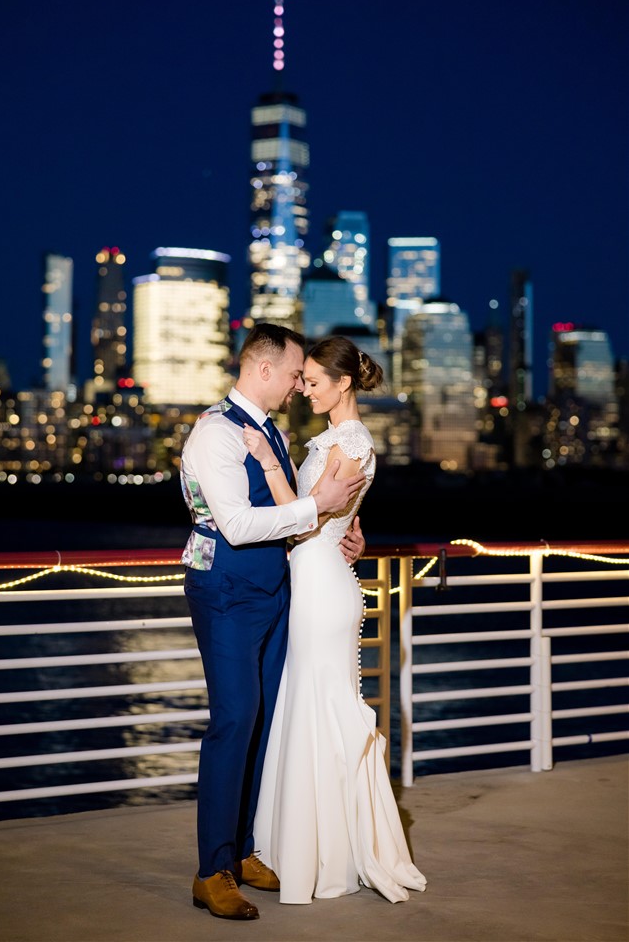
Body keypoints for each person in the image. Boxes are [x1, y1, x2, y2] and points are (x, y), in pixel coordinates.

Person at [180, 323, 367, 921]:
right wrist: (320, 508)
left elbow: (289, 514)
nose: (295, 387)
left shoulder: (271, 433)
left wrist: (338, 528)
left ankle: (244, 851)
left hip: (277, 590)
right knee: (234, 720)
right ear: (264, 370)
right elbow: (235, 524)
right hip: (228, 591)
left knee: (264, 718)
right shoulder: (216, 432)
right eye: (292, 375)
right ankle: (212, 870)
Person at [244, 335, 428, 905]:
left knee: (317, 712)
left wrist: (271, 463)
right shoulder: (332, 440)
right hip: (318, 578)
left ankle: (324, 855)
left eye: (314, 381)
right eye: (302, 380)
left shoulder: (350, 441)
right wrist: (347, 528)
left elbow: (301, 523)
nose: (303, 388)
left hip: (321, 589)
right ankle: (304, 847)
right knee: (307, 709)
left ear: (343, 383)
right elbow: (334, 516)